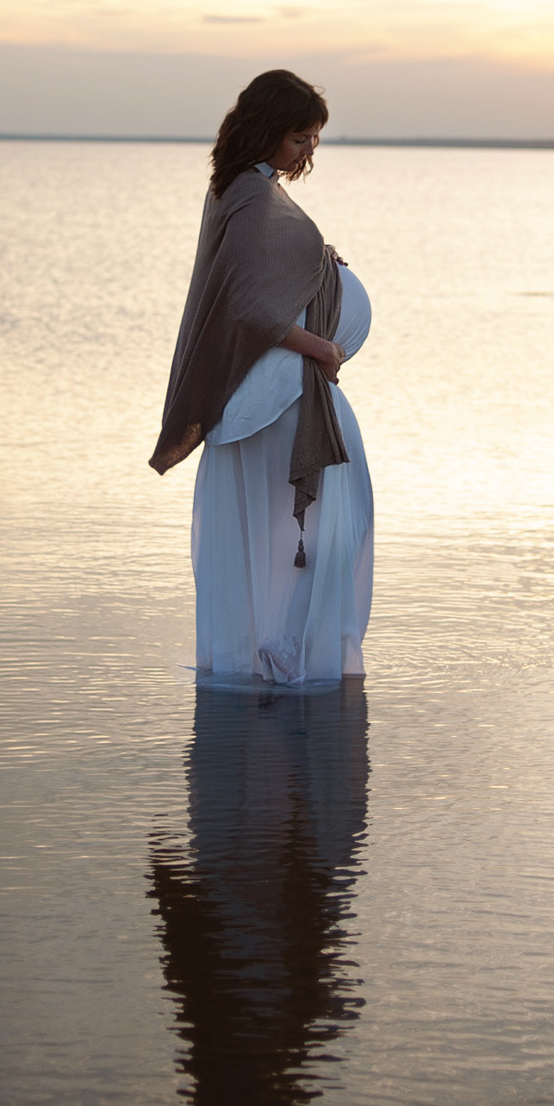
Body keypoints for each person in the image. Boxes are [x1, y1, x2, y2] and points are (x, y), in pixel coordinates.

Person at [152, 70, 374, 686]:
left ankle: (273, 651)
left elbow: (263, 275)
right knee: (331, 531)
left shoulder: (245, 187)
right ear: (266, 129)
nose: (309, 151)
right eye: (300, 138)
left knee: (303, 530)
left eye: (314, 139)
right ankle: (287, 652)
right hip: (276, 396)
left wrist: (316, 264)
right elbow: (249, 307)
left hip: (276, 393)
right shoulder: (250, 194)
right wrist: (323, 347)